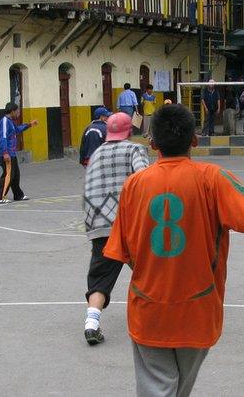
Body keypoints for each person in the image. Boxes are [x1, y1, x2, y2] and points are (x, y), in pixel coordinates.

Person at [103, 104, 244, 396]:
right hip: (198, 307)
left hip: (149, 306)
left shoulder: (134, 185)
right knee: (178, 386)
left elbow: (124, 251)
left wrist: (154, 274)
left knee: (158, 387)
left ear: (152, 142)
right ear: (194, 140)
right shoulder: (212, 178)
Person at [82, 112, 150, 345]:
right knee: (149, 269)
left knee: (100, 276)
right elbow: (144, 180)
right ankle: (166, 314)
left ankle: (91, 323)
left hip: (98, 223)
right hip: (127, 222)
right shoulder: (134, 149)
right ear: (129, 131)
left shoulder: (96, 153)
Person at [0, 102, 38, 203]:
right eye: (17, 111)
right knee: (8, 175)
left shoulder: (10, 122)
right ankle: (0, 197)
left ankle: (18, 195)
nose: (18, 113)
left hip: (12, 153)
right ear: (12, 111)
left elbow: (17, 130)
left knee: (15, 175)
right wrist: (5, 152)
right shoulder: (5, 122)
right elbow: (3, 137)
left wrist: (29, 125)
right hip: (8, 154)